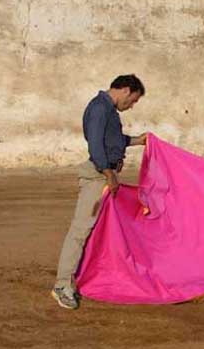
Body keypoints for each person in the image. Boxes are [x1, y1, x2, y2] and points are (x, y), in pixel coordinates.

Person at [51, 74, 147, 309]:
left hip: (103, 174)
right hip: (98, 176)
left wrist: (139, 140)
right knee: (81, 229)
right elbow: (95, 144)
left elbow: (112, 140)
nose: (131, 105)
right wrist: (108, 173)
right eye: (133, 100)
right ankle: (62, 284)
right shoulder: (99, 108)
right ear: (125, 90)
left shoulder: (107, 110)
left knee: (96, 230)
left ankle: (85, 277)